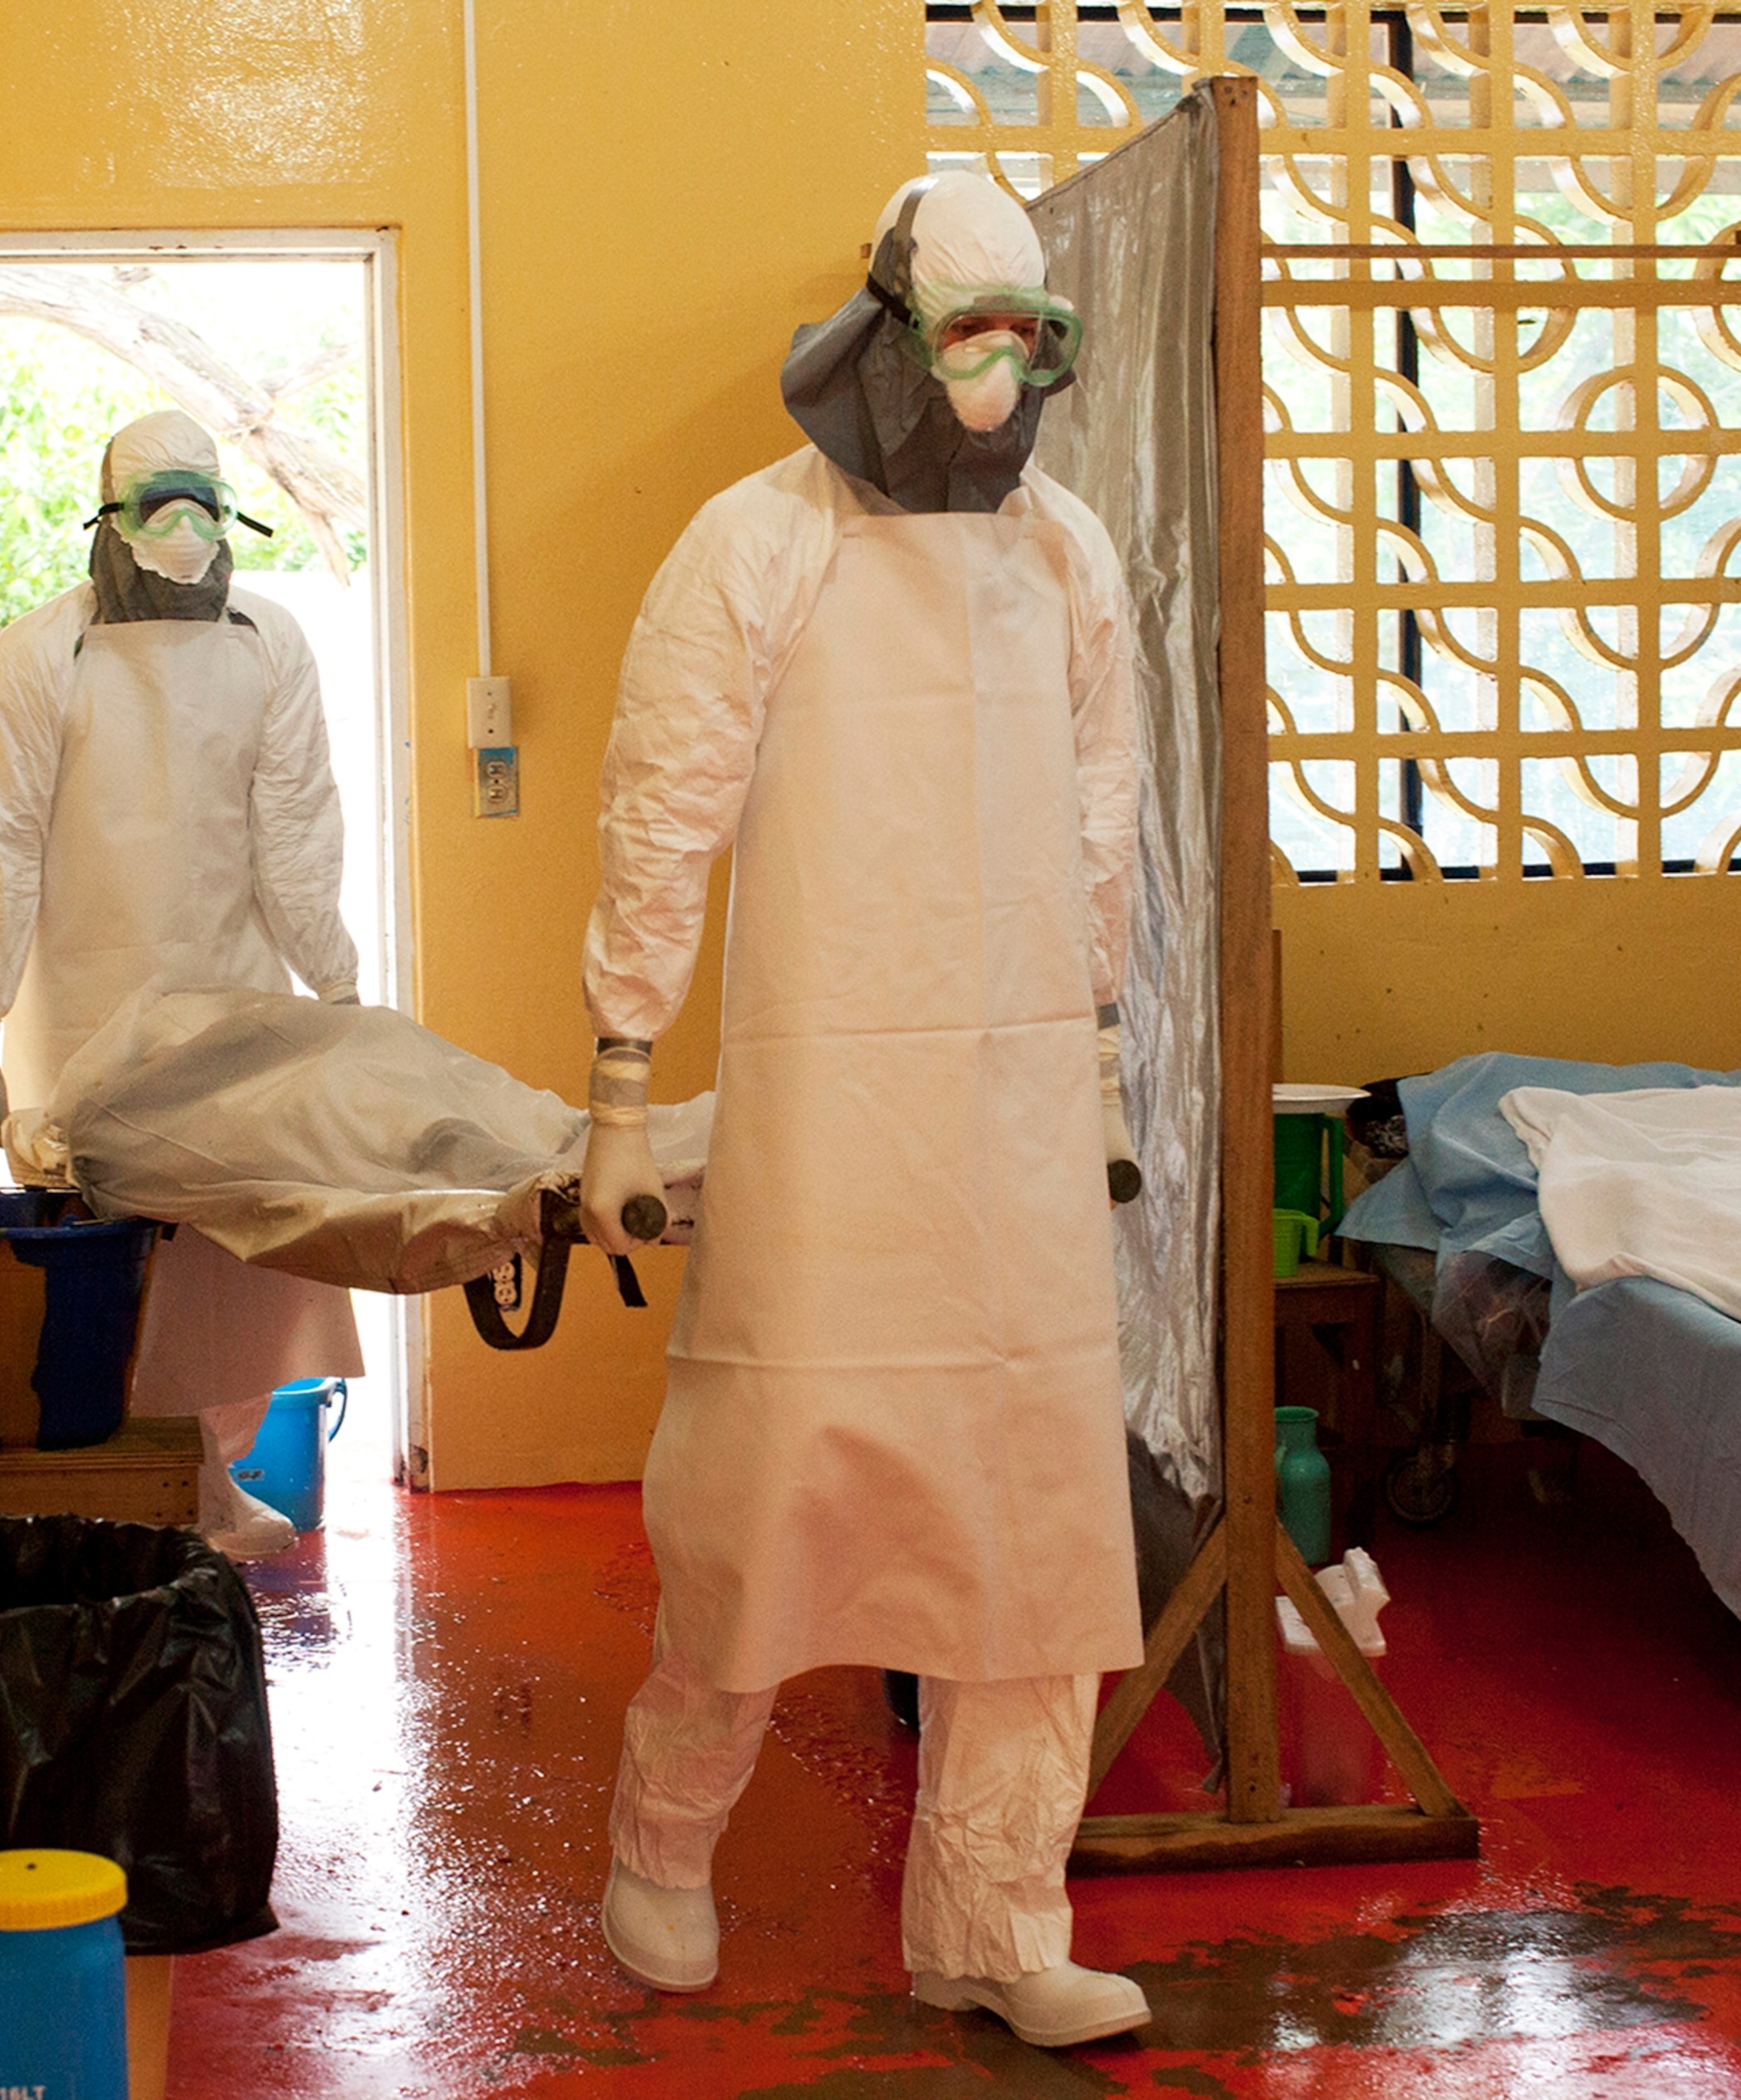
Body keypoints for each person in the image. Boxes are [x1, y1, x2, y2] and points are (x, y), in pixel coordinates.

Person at [577, 170, 1150, 2049]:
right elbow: (663, 820)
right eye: (963, 329)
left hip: (1016, 1134)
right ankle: (664, 1848)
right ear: (887, 326)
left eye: (1026, 335)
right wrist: (617, 1082)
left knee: (1039, 1525)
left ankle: (994, 1920)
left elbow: (1100, 826)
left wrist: (1099, 1050)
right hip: (832, 1121)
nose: (994, 370)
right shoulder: (758, 544)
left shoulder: (1068, 551)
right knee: (769, 1500)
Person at [0, 409, 364, 1561]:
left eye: (203, 501)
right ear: (107, 517)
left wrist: (338, 995)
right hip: (83, 1003)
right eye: (155, 505)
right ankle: (116, 1503)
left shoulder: (269, 642)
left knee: (231, 1267)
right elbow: (2, 849)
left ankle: (210, 1488)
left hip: (234, 1001)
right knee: (107, 1262)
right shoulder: (43, 653)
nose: (183, 530)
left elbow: (297, 837)